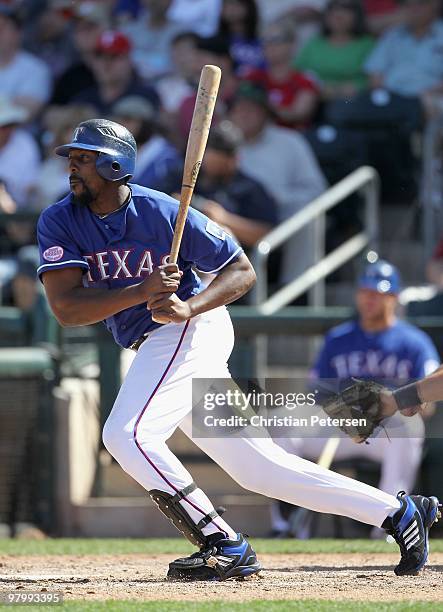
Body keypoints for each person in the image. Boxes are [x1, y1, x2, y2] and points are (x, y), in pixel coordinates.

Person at [37, 118, 440, 579]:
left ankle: (221, 542)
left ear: (114, 164)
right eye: (72, 158)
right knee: (261, 469)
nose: (73, 168)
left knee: (126, 435)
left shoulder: (162, 212)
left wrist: (189, 306)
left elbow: (240, 270)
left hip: (192, 329)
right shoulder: (59, 219)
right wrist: (141, 291)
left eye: (84, 159)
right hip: (153, 338)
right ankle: (399, 514)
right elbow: (67, 308)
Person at [271, 259, 440, 537]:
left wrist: (389, 404)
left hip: (387, 430)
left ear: (394, 298)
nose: (369, 299)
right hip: (340, 426)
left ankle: (390, 528)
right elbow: (315, 394)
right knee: (283, 422)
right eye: (365, 292)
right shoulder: (338, 339)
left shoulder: (414, 341)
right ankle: (286, 525)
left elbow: (428, 404)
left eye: (377, 293)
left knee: (409, 428)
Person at [229, 81, 327, 284]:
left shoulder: (290, 142)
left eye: (252, 109)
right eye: (240, 108)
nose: (245, 114)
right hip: (235, 212)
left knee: (306, 216)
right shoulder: (222, 140)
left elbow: (317, 190)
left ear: (266, 113)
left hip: (279, 215)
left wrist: (279, 197)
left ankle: (296, 292)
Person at [157, 120, 277, 248]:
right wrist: (174, 204)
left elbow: (269, 235)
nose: (209, 161)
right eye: (207, 153)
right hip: (178, 249)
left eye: (219, 157)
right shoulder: (184, 176)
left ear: (234, 159)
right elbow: (154, 204)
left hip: (225, 258)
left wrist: (223, 218)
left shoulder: (249, 188)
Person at [244, 19, 319, 129]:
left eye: (276, 40)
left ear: (292, 44)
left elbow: (298, 114)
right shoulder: (252, 76)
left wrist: (263, 105)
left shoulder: (304, 81)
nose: (269, 45)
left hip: (289, 137)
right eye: (265, 40)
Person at [295, 0, 375, 101]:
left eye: (346, 9)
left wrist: (358, 87)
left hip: (352, 101)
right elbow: (296, 72)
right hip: (314, 101)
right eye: (333, 9)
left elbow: (374, 79)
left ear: (357, 15)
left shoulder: (367, 44)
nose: (338, 14)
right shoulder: (315, 43)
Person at [73, 30, 160, 115]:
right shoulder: (83, 100)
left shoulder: (146, 97)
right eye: (100, 57)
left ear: (129, 61)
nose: (106, 64)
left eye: (114, 57)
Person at [111, 95, 181, 191]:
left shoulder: (166, 156)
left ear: (145, 124)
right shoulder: (114, 152)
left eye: (128, 120)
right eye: (118, 120)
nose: (121, 125)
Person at [0, 5, 52, 118]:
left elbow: (24, 114)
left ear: (18, 33)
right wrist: (10, 102)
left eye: (2, 28)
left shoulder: (36, 69)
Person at [121, 0, 184, 81]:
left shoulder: (181, 33)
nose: (155, 1)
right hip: (133, 85)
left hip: (168, 85)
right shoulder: (128, 31)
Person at [217, 0, 265, 75]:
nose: (231, 9)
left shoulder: (262, 41)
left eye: (236, 4)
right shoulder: (216, 42)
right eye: (227, 5)